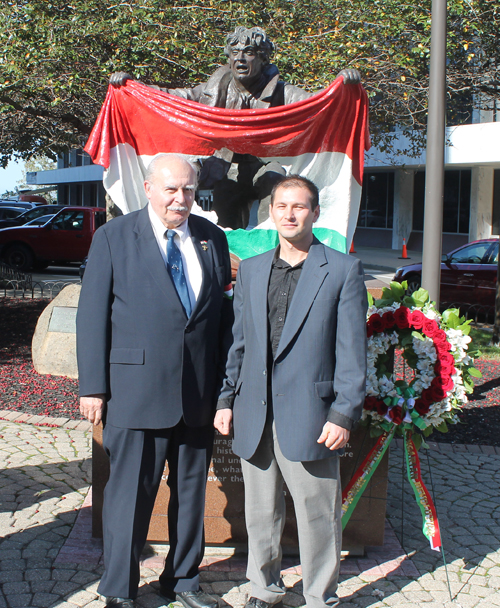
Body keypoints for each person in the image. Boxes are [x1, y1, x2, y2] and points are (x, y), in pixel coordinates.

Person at [76, 154, 233, 608]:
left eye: (188, 190)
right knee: (130, 495)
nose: (181, 199)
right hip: (136, 390)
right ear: (148, 189)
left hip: (197, 394)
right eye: (171, 189)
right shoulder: (113, 237)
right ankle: (119, 588)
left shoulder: (212, 239)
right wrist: (93, 386)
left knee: (190, 495)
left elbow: (218, 319)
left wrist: (225, 390)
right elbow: (92, 317)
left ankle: (182, 580)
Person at [214, 175, 367, 608]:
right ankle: (264, 589)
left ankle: (319, 595)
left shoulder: (342, 269)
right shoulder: (254, 269)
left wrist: (343, 413)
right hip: (254, 411)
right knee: (261, 513)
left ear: (315, 213)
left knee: (318, 514)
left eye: (299, 206)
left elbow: (353, 352)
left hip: (313, 415)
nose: (289, 214)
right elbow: (239, 343)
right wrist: (226, 399)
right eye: (281, 206)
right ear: (271, 211)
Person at [109, 26, 360, 228]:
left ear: (262, 58)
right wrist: (135, 87)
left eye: (249, 52)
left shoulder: (281, 91)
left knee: (275, 186)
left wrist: (340, 87)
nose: (240, 58)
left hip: (264, 163)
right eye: (235, 53)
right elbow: (176, 97)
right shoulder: (213, 89)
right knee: (223, 197)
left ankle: (269, 243)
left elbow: (315, 102)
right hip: (226, 164)